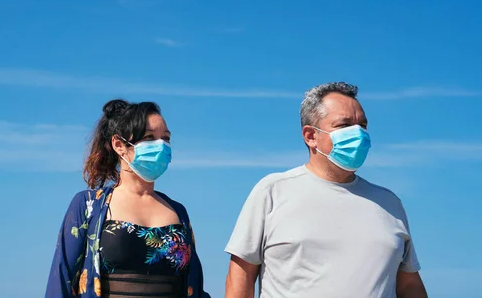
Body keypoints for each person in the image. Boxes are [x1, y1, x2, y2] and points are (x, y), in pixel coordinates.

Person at [224, 82, 428, 298]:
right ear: (311, 136)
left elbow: (408, 286)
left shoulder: (389, 203)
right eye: (345, 125)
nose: (358, 133)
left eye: (363, 125)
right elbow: (241, 277)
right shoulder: (272, 191)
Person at [45, 99, 210, 298]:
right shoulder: (88, 205)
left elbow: (195, 285)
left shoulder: (178, 212)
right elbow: (62, 280)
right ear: (119, 145)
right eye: (149, 138)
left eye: (165, 139)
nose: (161, 146)